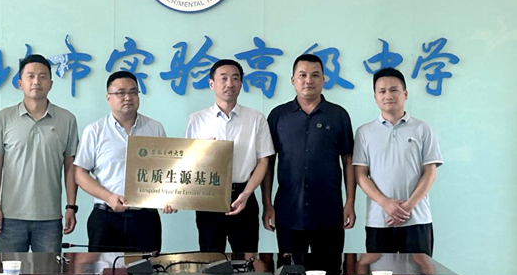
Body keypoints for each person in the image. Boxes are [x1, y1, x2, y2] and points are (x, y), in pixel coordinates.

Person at [263, 54, 355, 258]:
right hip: (288, 212)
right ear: (293, 79)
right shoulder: (278, 116)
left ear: (323, 79)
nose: (308, 80)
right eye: (302, 75)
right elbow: (268, 163)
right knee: (291, 274)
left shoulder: (338, 115)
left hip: (329, 212)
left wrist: (350, 202)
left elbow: (348, 161)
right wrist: (267, 204)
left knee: (330, 273)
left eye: (315, 75)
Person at [74, 71, 175, 252]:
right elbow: (80, 174)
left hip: (145, 218)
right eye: (120, 93)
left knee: (147, 268)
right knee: (104, 269)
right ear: (108, 98)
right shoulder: (95, 131)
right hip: (106, 218)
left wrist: (170, 196)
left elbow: (166, 170)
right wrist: (108, 197)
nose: (128, 97)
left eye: (133, 92)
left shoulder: (155, 128)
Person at [0, 54, 79, 253]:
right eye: (30, 76)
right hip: (10, 217)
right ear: (20, 83)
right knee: (10, 272)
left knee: (48, 272)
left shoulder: (67, 119)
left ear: (51, 84)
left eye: (43, 77)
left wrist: (71, 207)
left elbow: (70, 166)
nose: (36, 81)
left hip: (50, 218)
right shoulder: (4, 118)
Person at [184, 59, 274, 252]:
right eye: (223, 78)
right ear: (211, 83)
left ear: (241, 84)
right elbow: (189, 162)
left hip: (244, 194)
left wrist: (246, 194)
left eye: (235, 78)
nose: (229, 84)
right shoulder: (197, 120)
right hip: (208, 197)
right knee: (210, 258)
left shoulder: (255, 118)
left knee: (247, 259)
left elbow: (263, 161)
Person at [353, 67, 443, 256]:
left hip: (417, 219)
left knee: (419, 273)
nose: (388, 95)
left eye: (394, 90)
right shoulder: (364, 132)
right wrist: (386, 204)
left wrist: (408, 206)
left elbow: (430, 172)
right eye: (382, 91)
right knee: (381, 274)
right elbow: (360, 175)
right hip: (379, 220)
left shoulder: (423, 129)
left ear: (405, 94)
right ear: (375, 97)